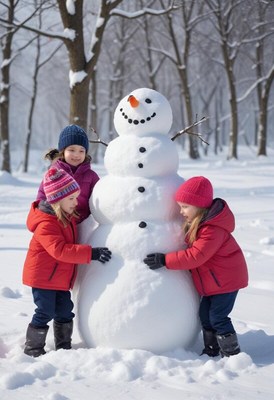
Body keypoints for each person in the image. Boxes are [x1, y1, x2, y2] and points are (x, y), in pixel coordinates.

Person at [144, 176, 248, 357]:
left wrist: (165, 260)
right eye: (180, 206)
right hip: (213, 282)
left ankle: (232, 354)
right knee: (205, 316)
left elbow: (195, 256)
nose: (181, 211)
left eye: (185, 207)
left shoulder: (212, 230)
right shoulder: (199, 225)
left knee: (218, 317)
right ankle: (211, 350)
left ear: (200, 206)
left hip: (226, 282)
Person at [23, 167, 111, 357]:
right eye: (71, 199)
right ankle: (33, 348)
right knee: (45, 311)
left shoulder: (67, 217)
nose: (75, 202)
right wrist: (90, 253)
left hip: (60, 277)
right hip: (43, 277)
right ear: (56, 201)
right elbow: (59, 250)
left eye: (76, 198)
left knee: (65, 311)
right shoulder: (46, 223)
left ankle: (64, 346)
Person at [37, 124, 99, 224]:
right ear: (63, 151)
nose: (76, 154)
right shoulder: (54, 173)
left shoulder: (91, 176)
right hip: (59, 223)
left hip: (84, 226)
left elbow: (99, 199)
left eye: (81, 151)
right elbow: (42, 197)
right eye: (72, 150)